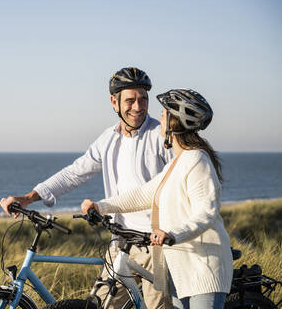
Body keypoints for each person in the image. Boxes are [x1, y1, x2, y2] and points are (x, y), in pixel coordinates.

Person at [0, 67, 174, 309]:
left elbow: (180, 182)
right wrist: (30, 197)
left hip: (156, 245)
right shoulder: (108, 139)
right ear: (115, 102)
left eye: (143, 99)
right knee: (101, 306)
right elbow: (74, 173)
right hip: (120, 242)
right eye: (130, 100)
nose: (138, 106)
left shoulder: (161, 135)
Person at [81, 89, 233, 309]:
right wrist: (101, 206)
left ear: (175, 123)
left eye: (164, 115)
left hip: (202, 269)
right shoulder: (176, 162)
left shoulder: (197, 160)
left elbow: (206, 213)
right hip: (179, 273)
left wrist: (172, 234)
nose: (159, 119)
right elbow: (143, 194)